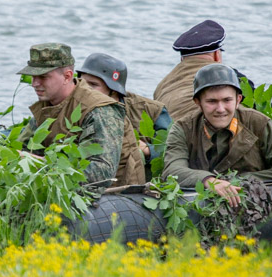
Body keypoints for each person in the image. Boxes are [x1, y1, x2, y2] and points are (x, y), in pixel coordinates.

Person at [162, 63, 272, 207]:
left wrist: (237, 181)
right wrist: (209, 181)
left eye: (227, 100)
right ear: (198, 102)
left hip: (255, 200)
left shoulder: (259, 123)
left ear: (238, 100)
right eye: (212, 101)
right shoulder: (183, 128)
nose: (220, 109)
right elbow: (173, 171)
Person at [18, 43, 126, 187]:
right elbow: (24, 149)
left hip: (110, 192)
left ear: (67, 76)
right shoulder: (47, 105)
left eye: (43, 77)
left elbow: (101, 173)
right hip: (58, 184)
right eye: (33, 77)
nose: (34, 83)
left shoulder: (99, 109)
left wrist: (37, 162)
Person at [77, 52, 172, 185]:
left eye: (93, 84)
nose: (85, 89)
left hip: (140, 184)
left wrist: (147, 150)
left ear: (113, 90)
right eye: (82, 83)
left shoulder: (152, 110)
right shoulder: (74, 107)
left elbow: (174, 150)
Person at [152, 19, 229, 123]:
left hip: (169, 130)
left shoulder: (163, 84)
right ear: (216, 55)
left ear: (182, 59)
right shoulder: (227, 75)